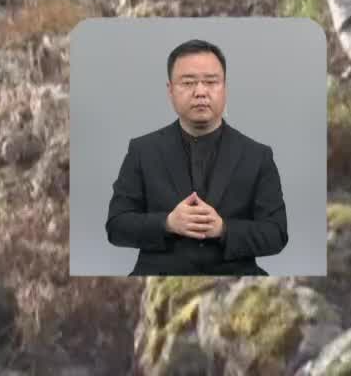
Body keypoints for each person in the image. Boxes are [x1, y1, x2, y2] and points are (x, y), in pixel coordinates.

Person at [104, 39, 289, 276]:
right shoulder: (142, 151)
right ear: (170, 90)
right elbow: (116, 226)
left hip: (235, 277)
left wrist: (224, 229)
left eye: (211, 82)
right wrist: (168, 223)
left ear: (225, 88)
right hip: (159, 276)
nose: (200, 91)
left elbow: (276, 233)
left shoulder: (258, 155)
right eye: (188, 82)